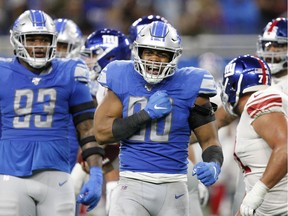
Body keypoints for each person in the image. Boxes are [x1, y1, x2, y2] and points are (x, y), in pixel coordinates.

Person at [94, 21, 223, 216]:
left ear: (174, 57)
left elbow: (209, 140)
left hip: (174, 187)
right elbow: (101, 133)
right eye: (149, 52)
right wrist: (145, 115)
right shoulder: (121, 75)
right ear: (138, 52)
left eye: (162, 54)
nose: (154, 59)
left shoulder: (192, 83)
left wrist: (214, 163)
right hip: (132, 184)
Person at [0, 10, 103, 215]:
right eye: (32, 40)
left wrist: (96, 171)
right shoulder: (3, 72)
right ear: (18, 41)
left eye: (44, 40)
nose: (38, 46)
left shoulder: (71, 72)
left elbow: (87, 129)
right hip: (11, 176)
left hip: (57, 176)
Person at [71, 28, 131, 215]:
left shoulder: (122, 85)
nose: (87, 60)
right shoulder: (102, 86)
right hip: (116, 158)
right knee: (72, 186)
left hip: (137, 165)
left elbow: (115, 137)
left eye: (93, 54)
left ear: (110, 58)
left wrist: (94, 156)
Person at [220, 54, 288, 216]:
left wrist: (258, 192)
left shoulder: (259, 100)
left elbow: (285, 147)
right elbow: (258, 171)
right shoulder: (255, 110)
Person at [54, 18, 84, 172]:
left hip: (71, 159)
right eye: (55, 45)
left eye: (63, 46)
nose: (58, 52)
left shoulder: (81, 79)